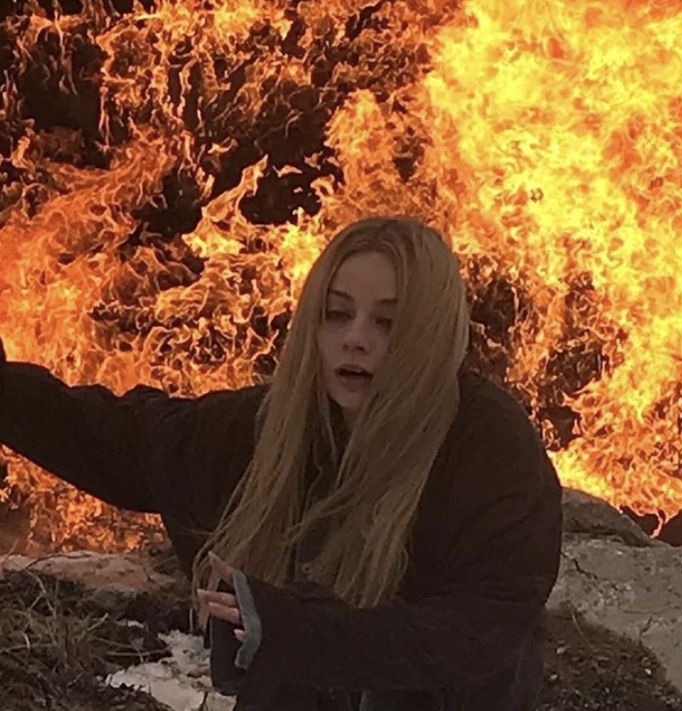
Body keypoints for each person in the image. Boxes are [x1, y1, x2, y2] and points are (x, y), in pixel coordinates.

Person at [0, 216, 562, 711]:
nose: (354, 339)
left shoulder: (489, 445)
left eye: (387, 322)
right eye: (336, 314)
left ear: (431, 333)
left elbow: (478, 630)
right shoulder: (280, 425)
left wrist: (296, 630)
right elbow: (127, 439)